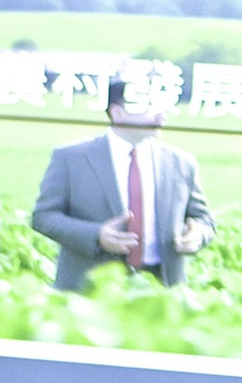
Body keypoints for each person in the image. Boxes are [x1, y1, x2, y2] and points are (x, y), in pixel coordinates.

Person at [31, 80, 214, 291]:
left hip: (162, 291)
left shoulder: (182, 163)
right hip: (91, 289)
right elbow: (43, 216)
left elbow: (204, 220)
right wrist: (96, 235)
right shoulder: (71, 158)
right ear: (117, 113)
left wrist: (197, 234)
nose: (161, 115)